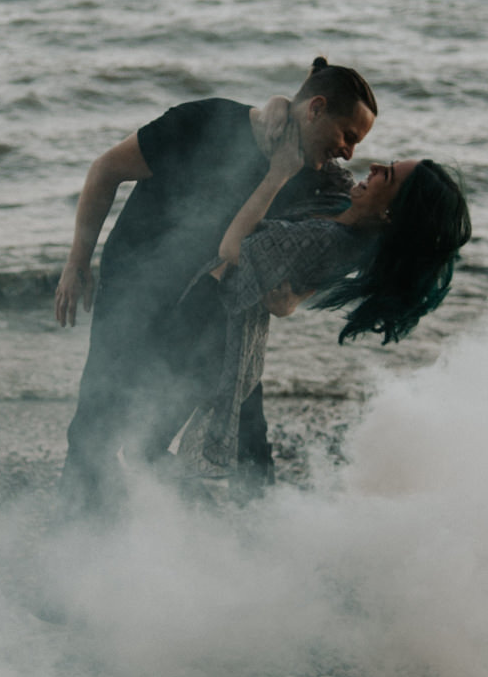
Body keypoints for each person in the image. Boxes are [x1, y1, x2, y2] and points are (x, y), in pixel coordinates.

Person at [56, 58, 378, 509]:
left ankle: (250, 542)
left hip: (214, 312)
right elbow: (107, 169)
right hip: (136, 284)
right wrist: (77, 263)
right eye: (348, 136)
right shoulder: (204, 121)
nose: (349, 152)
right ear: (316, 109)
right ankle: (79, 536)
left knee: (248, 434)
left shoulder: (312, 174)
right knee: (98, 415)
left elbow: (359, 214)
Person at [170, 156, 472, 477]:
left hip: (212, 319)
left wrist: (276, 174)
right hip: (231, 322)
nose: (374, 167)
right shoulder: (347, 213)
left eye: (389, 175)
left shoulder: (331, 239)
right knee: (248, 445)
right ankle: (254, 516)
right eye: (389, 163)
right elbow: (321, 161)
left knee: (153, 426)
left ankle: (179, 513)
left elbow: (234, 251)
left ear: (392, 212)